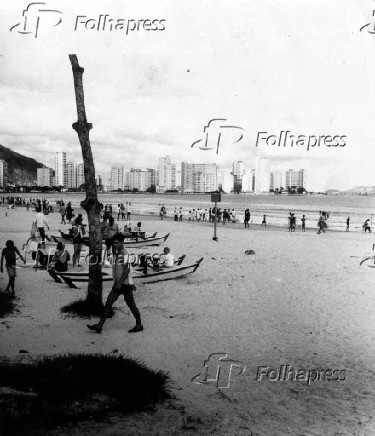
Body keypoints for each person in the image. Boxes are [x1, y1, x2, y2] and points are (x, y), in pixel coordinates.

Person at [87, 233, 143, 334]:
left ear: (122, 242)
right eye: (114, 243)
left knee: (131, 305)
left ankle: (139, 325)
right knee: (108, 303)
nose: (115, 245)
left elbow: (127, 270)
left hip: (124, 284)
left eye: (117, 243)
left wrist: (120, 284)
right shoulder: (118, 252)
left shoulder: (124, 254)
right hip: (118, 284)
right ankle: (99, 325)